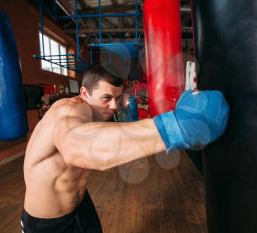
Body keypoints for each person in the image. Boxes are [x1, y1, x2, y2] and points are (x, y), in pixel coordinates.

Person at [21, 63, 229, 233]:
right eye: (106, 98)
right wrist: (177, 127)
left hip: (81, 207)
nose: (113, 106)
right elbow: (78, 148)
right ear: (84, 92)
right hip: (48, 225)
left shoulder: (91, 114)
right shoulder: (69, 110)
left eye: (117, 98)